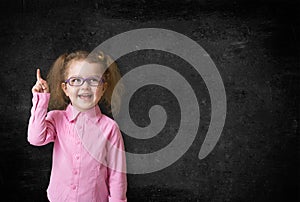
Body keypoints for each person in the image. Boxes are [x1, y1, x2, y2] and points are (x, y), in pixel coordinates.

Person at [27, 50, 127, 202]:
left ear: (103, 88)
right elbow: (36, 138)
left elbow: (116, 174)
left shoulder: (110, 128)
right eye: (75, 80)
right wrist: (41, 100)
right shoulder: (56, 118)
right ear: (65, 88)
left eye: (93, 80)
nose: (85, 87)